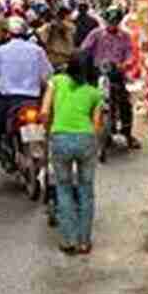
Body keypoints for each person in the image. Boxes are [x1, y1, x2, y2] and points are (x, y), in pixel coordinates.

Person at [42, 52, 103, 254]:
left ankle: (68, 240)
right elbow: (96, 126)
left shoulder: (56, 81)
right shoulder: (95, 93)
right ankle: (84, 242)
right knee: (86, 191)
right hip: (86, 140)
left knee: (64, 188)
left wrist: (49, 130)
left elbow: (44, 112)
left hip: (60, 138)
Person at [0, 15, 53, 175]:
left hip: (7, 100)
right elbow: (48, 75)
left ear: (7, 33)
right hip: (32, 100)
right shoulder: (37, 50)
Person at [81, 8, 140, 149]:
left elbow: (130, 54)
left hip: (116, 74)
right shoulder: (96, 34)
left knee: (125, 102)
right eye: (109, 22)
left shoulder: (125, 37)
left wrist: (125, 64)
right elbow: (84, 50)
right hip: (97, 73)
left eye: (115, 22)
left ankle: (128, 134)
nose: (111, 25)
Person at [39, 5, 77, 71]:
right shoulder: (70, 26)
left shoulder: (69, 26)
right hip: (62, 58)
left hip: (54, 58)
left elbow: (42, 40)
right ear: (66, 15)